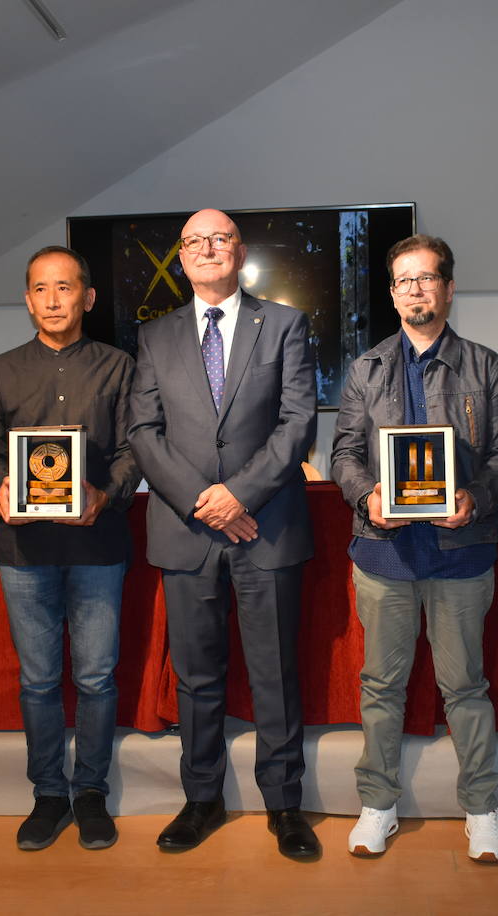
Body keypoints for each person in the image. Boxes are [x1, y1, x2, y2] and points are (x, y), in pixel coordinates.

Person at [126, 208, 320, 859]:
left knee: (274, 674)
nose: (207, 249)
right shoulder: (154, 338)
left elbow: (297, 423)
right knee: (196, 678)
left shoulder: (286, 325)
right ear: (182, 259)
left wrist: (239, 494)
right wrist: (200, 500)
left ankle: (285, 806)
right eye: (194, 242)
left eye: (220, 239)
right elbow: (143, 433)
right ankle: (201, 798)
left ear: (239, 253)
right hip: (186, 532)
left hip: (265, 527)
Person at [330, 234, 498, 862]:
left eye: (427, 277)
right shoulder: (366, 369)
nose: (415, 289)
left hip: (461, 552)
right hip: (385, 554)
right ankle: (378, 805)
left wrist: (476, 496)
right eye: (403, 280)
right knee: (381, 685)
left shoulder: (486, 366)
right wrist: (367, 498)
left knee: (465, 686)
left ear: (448, 286)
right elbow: (344, 457)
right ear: (392, 293)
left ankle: (482, 809)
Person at [0, 246, 140, 851]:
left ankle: (90, 793)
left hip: (98, 545)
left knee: (97, 678)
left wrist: (107, 494)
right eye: (41, 289)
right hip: (24, 549)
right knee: (39, 681)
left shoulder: (120, 368)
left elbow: (134, 450)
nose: (52, 300)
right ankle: (48, 794)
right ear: (28, 299)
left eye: (64, 288)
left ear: (87, 297)